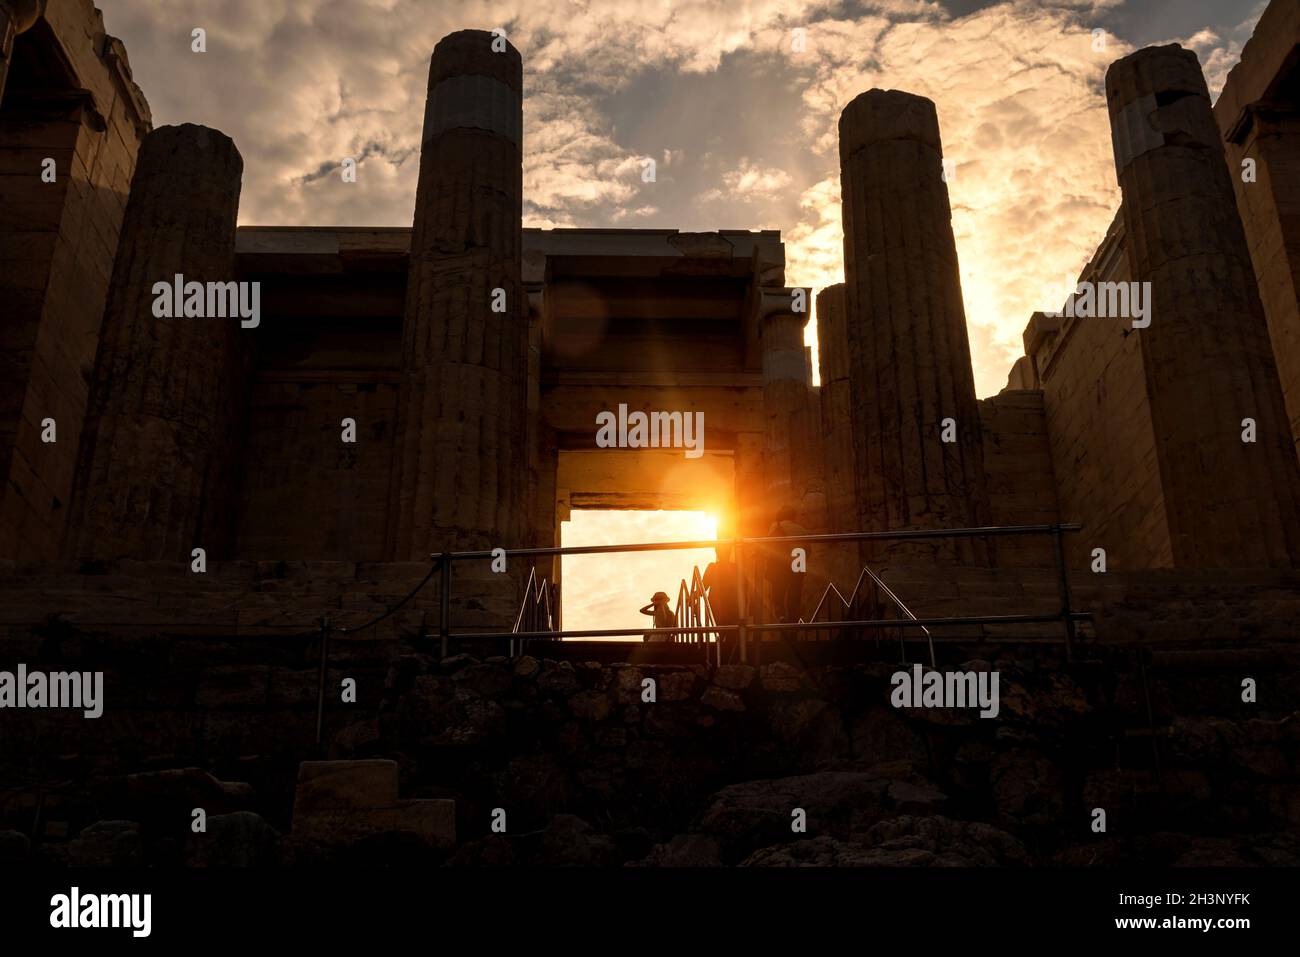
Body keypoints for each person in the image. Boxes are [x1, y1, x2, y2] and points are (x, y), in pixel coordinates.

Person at [766, 506, 808, 624]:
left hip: (780, 564)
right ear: (793, 516)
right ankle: (793, 616)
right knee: (794, 593)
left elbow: (769, 546)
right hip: (798, 563)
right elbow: (807, 550)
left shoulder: (775, 526)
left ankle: (780, 615)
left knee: (778, 591)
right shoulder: (801, 529)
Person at [702, 544, 738, 630]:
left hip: (731, 603)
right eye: (722, 552)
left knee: (729, 629)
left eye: (726, 552)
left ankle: (725, 640)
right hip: (719, 603)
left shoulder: (735, 568)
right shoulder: (712, 567)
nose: (725, 554)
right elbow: (703, 587)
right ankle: (723, 640)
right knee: (722, 627)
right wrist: (695, 595)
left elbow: (743, 587)